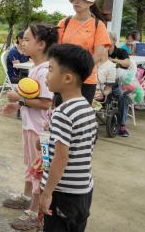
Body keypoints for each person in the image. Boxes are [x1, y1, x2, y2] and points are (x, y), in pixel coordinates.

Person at [2, 24, 57, 231]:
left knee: (38, 170)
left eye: (26, 39)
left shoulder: (45, 71)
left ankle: (35, 212)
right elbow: (35, 100)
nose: (22, 43)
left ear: (41, 44)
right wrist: (17, 104)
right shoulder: (36, 68)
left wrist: (20, 97)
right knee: (30, 164)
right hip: (30, 126)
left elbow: (45, 103)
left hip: (40, 131)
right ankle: (26, 197)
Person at [40, 43, 97, 232]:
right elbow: (82, 144)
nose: (47, 75)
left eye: (50, 69)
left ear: (67, 78)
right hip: (83, 192)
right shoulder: (86, 107)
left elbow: (61, 157)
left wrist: (47, 192)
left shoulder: (62, 113)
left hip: (63, 193)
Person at [56, 0, 111, 105]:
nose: (76, 1)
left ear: (90, 2)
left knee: (80, 119)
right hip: (63, 77)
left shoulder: (98, 25)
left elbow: (98, 55)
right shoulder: (64, 23)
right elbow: (56, 51)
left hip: (86, 79)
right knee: (59, 115)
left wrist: (79, 71)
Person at [108, 32, 133, 137]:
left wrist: (112, 60)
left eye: (107, 39)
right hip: (100, 83)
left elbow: (127, 63)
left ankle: (122, 125)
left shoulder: (121, 51)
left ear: (114, 41)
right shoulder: (99, 51)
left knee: (124, 98)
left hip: (116, 83)